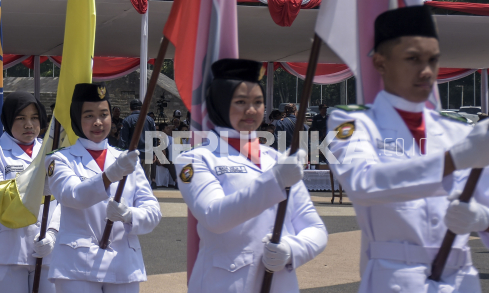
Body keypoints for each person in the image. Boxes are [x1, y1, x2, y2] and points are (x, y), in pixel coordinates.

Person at [326, 5, 489, 292]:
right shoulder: (346, 122)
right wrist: (454, 160)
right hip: (396, 278)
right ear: (380, 63)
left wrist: (486, 220)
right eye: (413, 59)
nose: (426, 71)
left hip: (462, 281)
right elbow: (361, 184)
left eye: (433, 60)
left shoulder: (458, 131)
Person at [175, 59, 326, 293]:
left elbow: (315, 227)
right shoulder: (195, 159)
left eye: (258, 102)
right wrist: (275, 181)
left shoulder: (276, 159)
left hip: (279, 284)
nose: (251, 110)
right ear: (220, 104)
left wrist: (292, 249)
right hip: (224, 285)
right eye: (240, 102)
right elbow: (214, 217)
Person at [46, 83, 161, 292]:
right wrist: (110, 176)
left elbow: (153, 212)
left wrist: (129, 215)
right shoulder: (60, 159)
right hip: (77, 267)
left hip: (123, 265)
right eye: (89, 115)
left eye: (104, 114)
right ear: (77, 119)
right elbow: (73, 196)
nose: (98, 122)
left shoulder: (125, 160)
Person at [0, 91, 60, 293]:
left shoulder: (53, 152)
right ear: (8, 119)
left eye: (34, 117)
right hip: (3, 253)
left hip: (47, 250)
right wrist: (38, 185)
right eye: (21, 118)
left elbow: (65, 200)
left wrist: (53, 233)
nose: (29, 124)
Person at [119, 99, 156, 185]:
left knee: (133, 179)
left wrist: (122, 153)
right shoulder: (150, 120)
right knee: (146, 179)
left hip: (133, 154)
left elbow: (123, 139)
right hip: (147, 153)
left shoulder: (127, 120)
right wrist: (154, 153)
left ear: (130, 108)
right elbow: (154, 138)